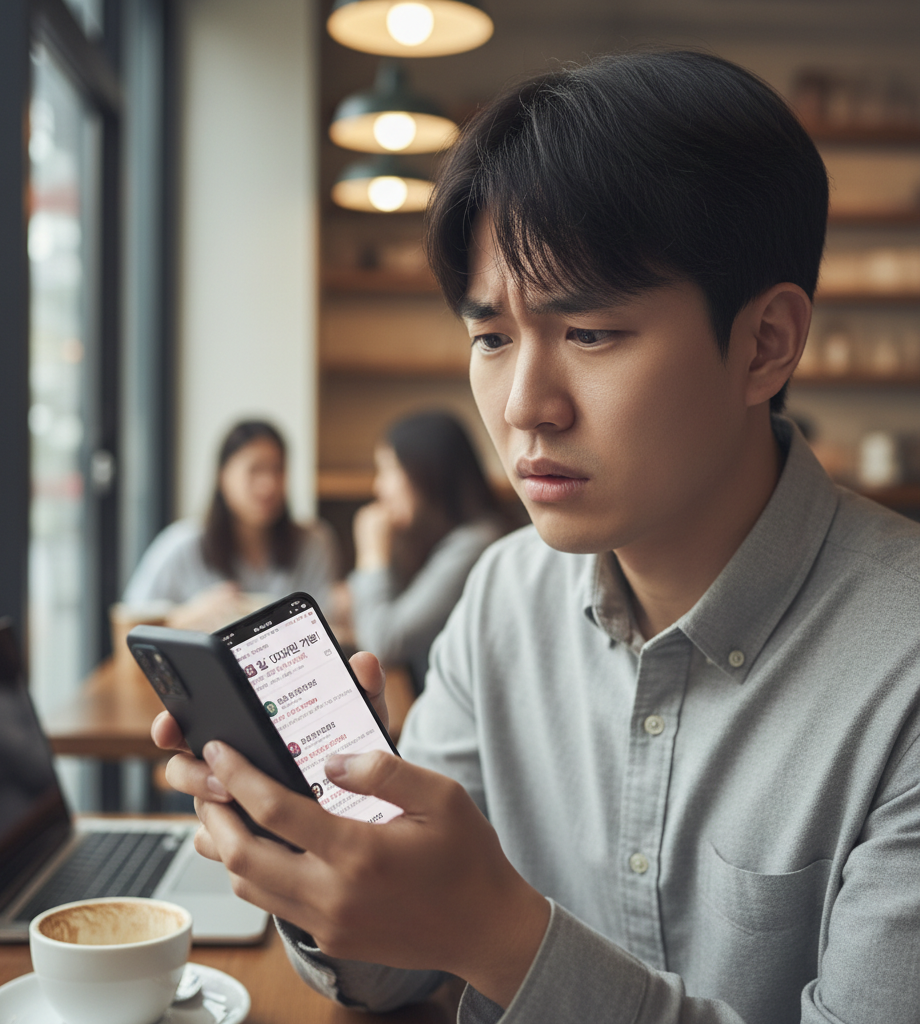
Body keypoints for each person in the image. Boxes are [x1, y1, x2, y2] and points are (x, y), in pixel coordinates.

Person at [151, 51, 920, 1024]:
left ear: (765, 343)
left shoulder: (903, 671)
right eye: (490, 336)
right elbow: (398, 966)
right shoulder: (501, 594)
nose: (524, 407)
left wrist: (497, 936)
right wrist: (316, 852)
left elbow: (463, 938)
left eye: (591, 332)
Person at [123, 420, 337, 628]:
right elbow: (131, 624)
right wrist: (188, 616)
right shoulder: (181, 545)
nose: (268, 485)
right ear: (223, 475)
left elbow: (324, 623)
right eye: (255, 470)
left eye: (277, 470)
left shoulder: (313, 543)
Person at [348, 411, 505, 690]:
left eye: (388, 471)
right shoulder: (431, 537)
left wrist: (372, 554)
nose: (378, 487)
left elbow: (382, 642)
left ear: (426, 473)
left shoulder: (475, 544)